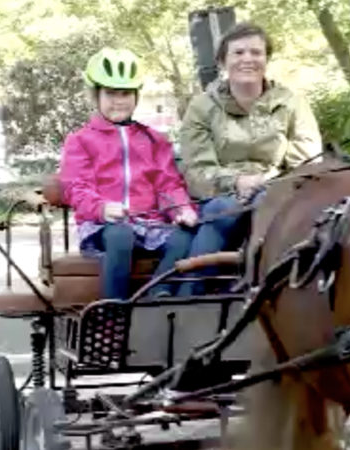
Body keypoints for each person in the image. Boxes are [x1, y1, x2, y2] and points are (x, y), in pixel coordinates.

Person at [181, 22, 322, 291]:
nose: (248, 59)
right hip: (220, 195)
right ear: (223, 61)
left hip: (279, 190)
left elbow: (308, 156)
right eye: (239, 53)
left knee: (264, 204)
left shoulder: (292, 102)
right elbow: (196, 169)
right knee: (220, 209)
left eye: (256, 53)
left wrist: (268, 179)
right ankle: (190, 297)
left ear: (266, 59)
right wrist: (237, 182)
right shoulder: (201, 107)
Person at [58, 47, 199, 300]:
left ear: (136, 95)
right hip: (103, 226)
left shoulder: (154, 139)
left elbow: (168, 184)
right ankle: (114, 314)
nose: (119, 100)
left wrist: (181, 210)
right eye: (111, 93)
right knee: (120, 233)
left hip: (149, 225)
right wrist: (102, 208)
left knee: (185, 235)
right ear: (95, 95)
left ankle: (158, 294)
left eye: (125, 93)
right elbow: (76, 188)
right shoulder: (80, 140)